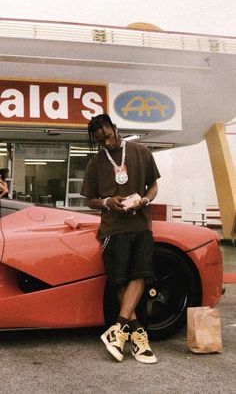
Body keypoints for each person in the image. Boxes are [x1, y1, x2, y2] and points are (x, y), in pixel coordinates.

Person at [81, 114, 161, 364]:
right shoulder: (95, 163)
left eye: (107, 136)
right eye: (100, 140)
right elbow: (90, 200)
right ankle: (137, 335)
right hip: (112, 228)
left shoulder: (141, 151)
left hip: (141, 224)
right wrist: (107, 202)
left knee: (141, 274)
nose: (106, 142)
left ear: (115, 128)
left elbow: (154, 187)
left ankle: (118, 328)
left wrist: (145, 200)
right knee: (119, 280)